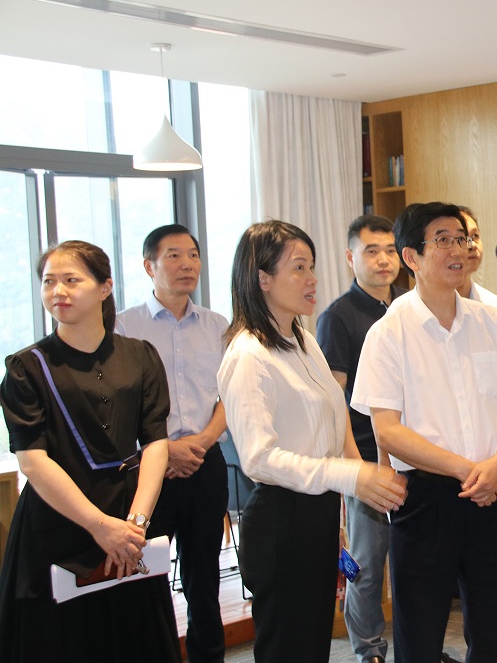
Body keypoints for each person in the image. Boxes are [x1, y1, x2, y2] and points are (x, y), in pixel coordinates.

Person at [352, 202, 497, 662]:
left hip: (493, 492)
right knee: (419, 636)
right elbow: (388, 432)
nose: (459, 249)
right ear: (411, 257)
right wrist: (466, 470)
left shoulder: (492, 321)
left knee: (496, 636)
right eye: (443, 241)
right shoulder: (388, 332)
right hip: (425, 500)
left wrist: (496, 466)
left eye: (462, 238)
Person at [216, 220, 408, 663]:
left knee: (313, 644)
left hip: (317, 512)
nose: (312, 279)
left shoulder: (302, 339)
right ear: (263, 279)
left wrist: (360, 477)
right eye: (299, 268)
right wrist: (349, 475)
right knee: (288, 649)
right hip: (280, 518)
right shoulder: (248, 355)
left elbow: (335, 417)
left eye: (312, 267)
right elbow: (259, 458)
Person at [0, 240, 179, 662]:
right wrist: (100, 527)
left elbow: (155, 441)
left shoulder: (140, 355)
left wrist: (135, 524)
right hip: (60, 520)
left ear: (104, 287)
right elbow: (33, 461)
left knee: (134, 637)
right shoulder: (27, 367)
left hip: (131, 520)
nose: (57, 291)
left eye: (71, 280)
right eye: (49, 282)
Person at [115, 224, 229, 663]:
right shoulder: (124, 326)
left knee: (204, 576)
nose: (187, 264)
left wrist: (201, 442)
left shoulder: (217, 326)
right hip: (149, 469)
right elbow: (117, 404)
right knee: (148, 575)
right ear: (149, 266)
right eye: (174, 255)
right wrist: (164, 449)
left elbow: (229, 397)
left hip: (205, 462)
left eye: (193, 255)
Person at [315, 214, 406, 663]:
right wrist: (354, 467)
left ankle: (414, 645)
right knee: (367, 565)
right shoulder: (337, 317)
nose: (383, 259)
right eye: (372, 251)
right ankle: (368, 649)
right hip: (367, 459)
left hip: (415, 455)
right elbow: (335, 401)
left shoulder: (410, 306)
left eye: (390, 250)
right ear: (351, 258)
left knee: (413, 562)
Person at [456, 206, 497, 309]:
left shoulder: (494, 307)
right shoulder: (420, 307)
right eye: (461, 238)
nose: (472, 245)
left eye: (475, 236)